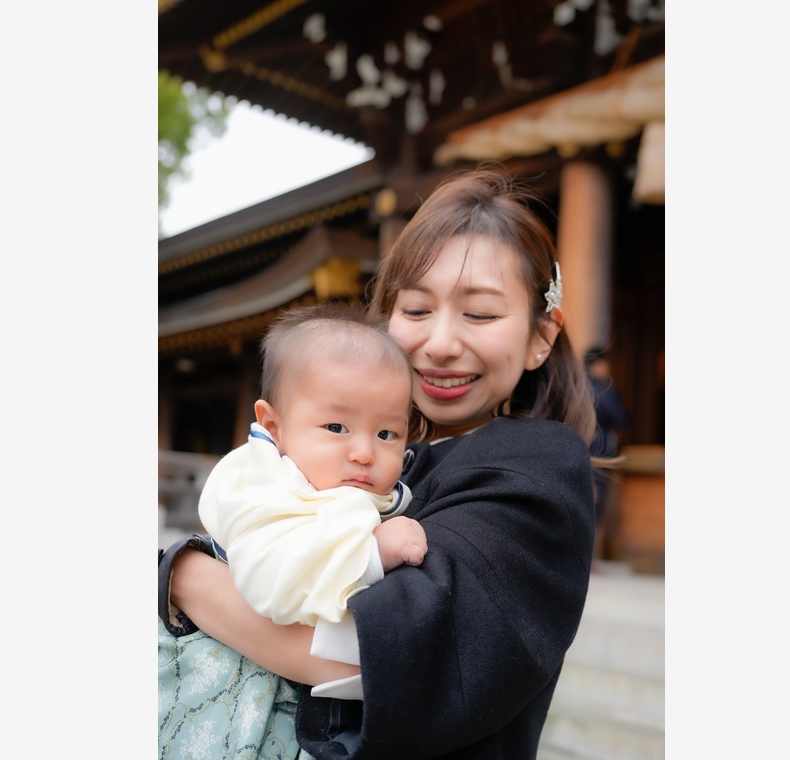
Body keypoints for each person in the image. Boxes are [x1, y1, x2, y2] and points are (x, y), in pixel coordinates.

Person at [159, 165, 599, 759]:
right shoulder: (385, 462)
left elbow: (377, 649)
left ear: (542, 335)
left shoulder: (537, 465)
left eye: (481, 314)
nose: (440, 343)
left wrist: (183, 575)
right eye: (416, 310)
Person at [158, 302, 428, 758]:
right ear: (273, 426)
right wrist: (369, 554)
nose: (364, 451)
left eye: (386, 434)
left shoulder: (362, 489)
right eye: (337, 426)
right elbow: (272, 581)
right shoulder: (259, 484)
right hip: (221, 686)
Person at [584, 345, 629, 522]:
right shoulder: (603, 389)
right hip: (600, 447)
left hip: (578, 444)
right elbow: (621, 418)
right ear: (597, 364)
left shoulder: (575, 384)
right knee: (597, 497)